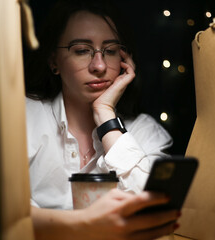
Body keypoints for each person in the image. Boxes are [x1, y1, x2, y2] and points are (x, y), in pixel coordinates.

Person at [24, 0, 180, 239]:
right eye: (81, 50)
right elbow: (1, 212)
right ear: (54, 61)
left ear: (124, 60)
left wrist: (106, 114)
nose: (99, 66)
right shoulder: (24, 116)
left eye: (110, 51)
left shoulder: (145, 131)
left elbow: (151, 215)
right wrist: (84, 225)